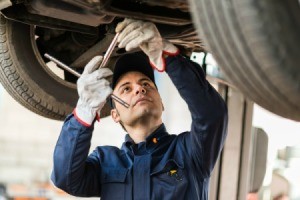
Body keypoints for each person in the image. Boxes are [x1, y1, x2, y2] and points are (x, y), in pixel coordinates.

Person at [51, 18, 228, 200]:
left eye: (146, 84)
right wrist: (84, 110)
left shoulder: (188, 151)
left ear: (162, 103)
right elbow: (65, 178)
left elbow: (211, 115)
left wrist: (167, 57)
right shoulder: (106, 162)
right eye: (126, 88)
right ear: (115, 114)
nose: (139, 89)